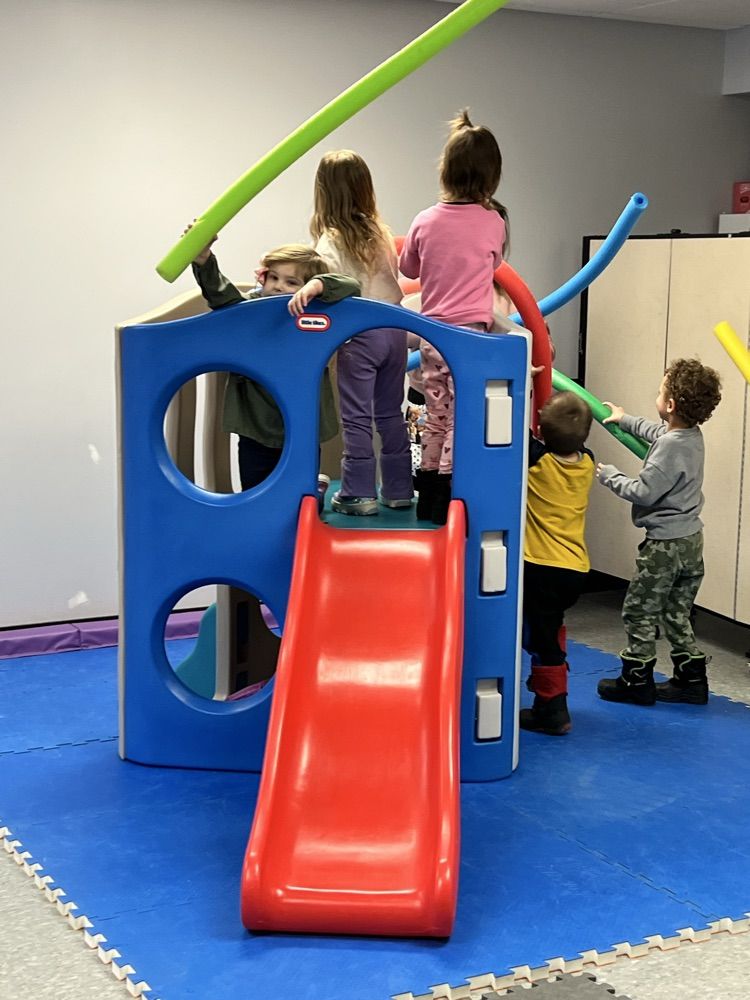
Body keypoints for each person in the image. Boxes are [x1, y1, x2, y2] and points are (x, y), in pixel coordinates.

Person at [189, 232, 360, 500]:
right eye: (274, 278)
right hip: (256, 424)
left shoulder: (313, 313)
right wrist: (203, 260)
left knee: (298, 495)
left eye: (291, 282)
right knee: (255, 490)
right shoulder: (252, 309)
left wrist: (317, 285)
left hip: (300, 423)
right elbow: (222, 296)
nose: (279, 286)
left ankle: (311, 496)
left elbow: (351, 286)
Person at [596, 358, 722, 706]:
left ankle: (636, 680)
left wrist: (610, 476)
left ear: (669, 405)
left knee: (639, 610)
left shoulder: (669, 446)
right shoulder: (691, 436)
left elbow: (644, 492)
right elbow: (658, 434)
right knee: (676, 612)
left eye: (661, 390)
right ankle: (691, 680)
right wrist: (625, 419)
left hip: (664, 546)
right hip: (691, 542)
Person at [400, 109, 505, 524]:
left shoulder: (424, 220)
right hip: (472, 339)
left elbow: (409, 269)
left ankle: (427, 497)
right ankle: (448, 499)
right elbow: (493, 262)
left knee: (437, 415)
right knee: (463, 420)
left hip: (433, 336)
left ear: (444, 170)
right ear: (490, 178)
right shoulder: (493, 221)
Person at [310, 149, 413, 516]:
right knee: (389, 413)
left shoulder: (329, 242)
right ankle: (400, 489)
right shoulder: (380, 232)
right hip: (395, 329)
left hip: (361, 335)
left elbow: (329, 288)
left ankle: (359, 492)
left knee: (356, 417)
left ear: (323, 192)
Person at [521, 391, 595, 735]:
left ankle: (553, 708)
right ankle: (547, 692)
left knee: (542, 638)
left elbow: (520, 433)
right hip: (575, 570)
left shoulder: (537, 462)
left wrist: (528, 380)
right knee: (548, 629)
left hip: (542, 568)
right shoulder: (587, 463)